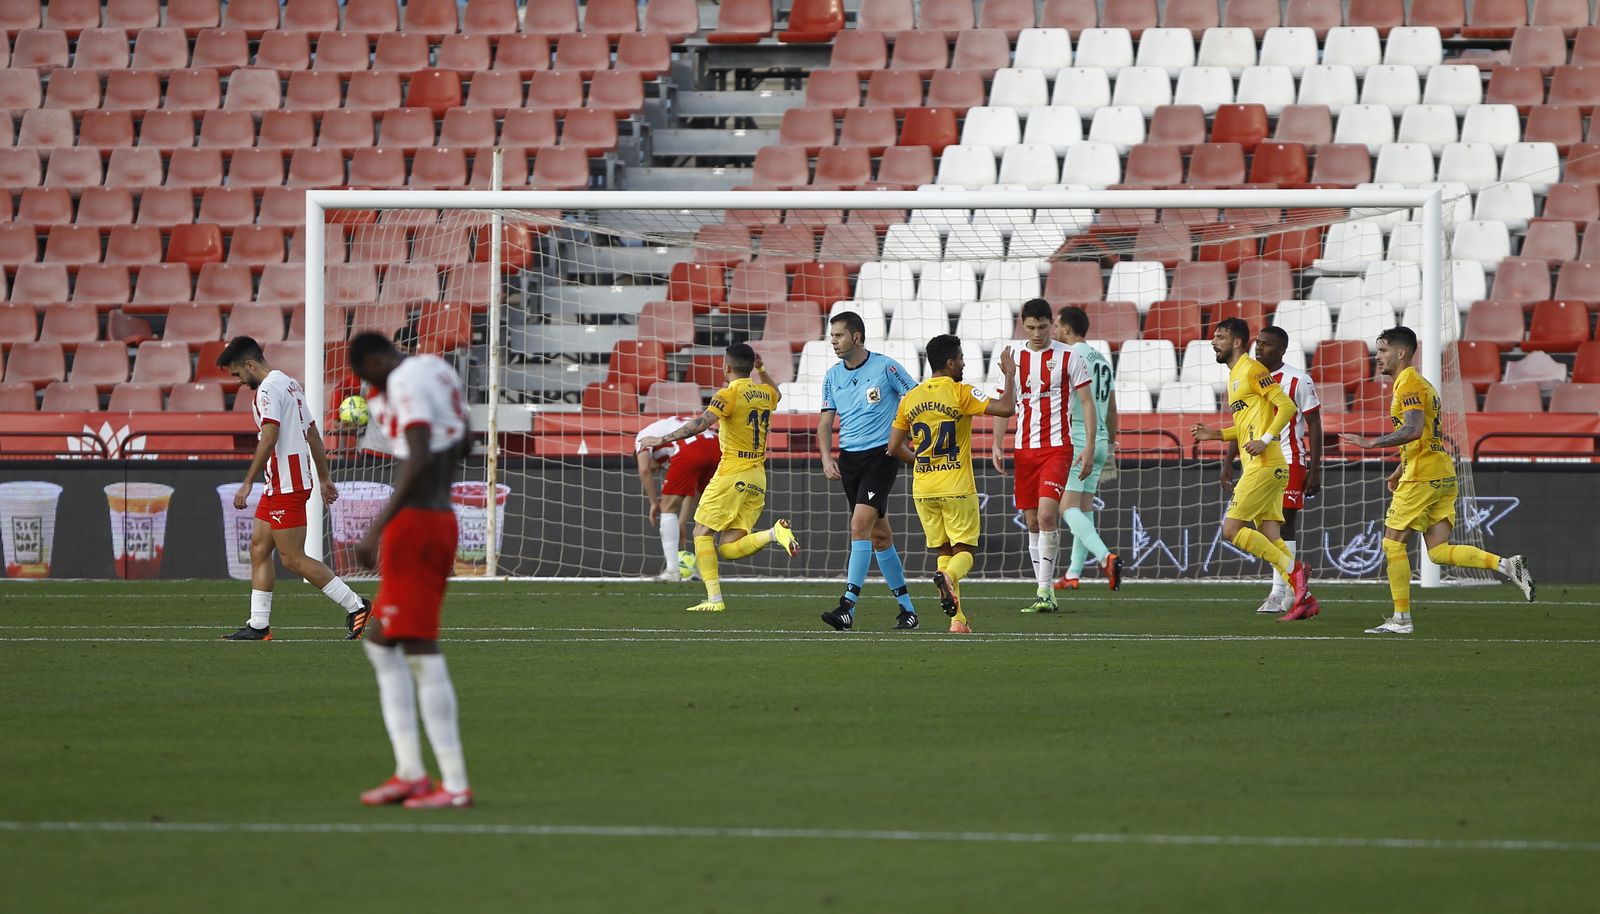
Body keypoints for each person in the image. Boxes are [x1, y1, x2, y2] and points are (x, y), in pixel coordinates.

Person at [1338, 326, 1534, 634]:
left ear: (1402, 352)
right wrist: (1401, 468)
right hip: (1438, 471)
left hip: (1424, 476)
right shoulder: (1418, 383)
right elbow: (1426, 435)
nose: (1377, 357)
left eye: (1383, 351)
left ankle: (1401, 619)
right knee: (1438, 551)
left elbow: (1414, 429)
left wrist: (1372, 443)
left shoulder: (1409, 384)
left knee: (1392, 544)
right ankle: (1507, 565)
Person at [348, 332, 474, 809]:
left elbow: (418, 453)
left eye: (367, 376)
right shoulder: (437, 369)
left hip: (417, 525)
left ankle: (455, 785)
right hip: (436, 517)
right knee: (380, 644)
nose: (369, 387)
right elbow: (465, 437)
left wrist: (375, 529)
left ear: (378, 360)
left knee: (419, 648)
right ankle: (410, 772)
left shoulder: (401, 378)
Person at [216, 336, 372, 642]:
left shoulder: (267, 390)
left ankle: (356, 606)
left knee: (292, 558)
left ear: (250, 365)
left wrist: (247, 482)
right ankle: (259, 625)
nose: (237, 381)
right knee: (259, 548)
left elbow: (270, 434)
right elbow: (312, 433)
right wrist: (324, 478)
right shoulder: (288, 384)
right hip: (281, 482)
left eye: (237, 374)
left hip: (287, 485)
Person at [639, 343, 798, 612]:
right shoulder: (764, 392)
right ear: (751, 366)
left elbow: (701, 423)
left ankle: (714, 600)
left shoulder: (728, 393)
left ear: (726, 367)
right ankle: (774, 534)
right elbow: (778, 394)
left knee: (701, 531)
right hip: (757, 477)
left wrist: (661, 439)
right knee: (727, 547)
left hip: (732, 472)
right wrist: (761, 369)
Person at [887, 335, 1016, 634]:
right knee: (965, 551)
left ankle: (957, 620)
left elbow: (893, 447)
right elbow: (1007, 408)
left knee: (943, 551)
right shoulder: (960, 392)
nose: (963, 363)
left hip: (923, 489)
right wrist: (1009, 374)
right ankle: (947, 580)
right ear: (949, 362)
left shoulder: (911, 398)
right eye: (960, 358)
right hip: (956, 486)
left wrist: (920, 462)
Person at [1190, 318, 1318, 619]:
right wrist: (1217, 435)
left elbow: (1286, 407)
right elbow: (1246, 425)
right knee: (1272, 535)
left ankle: (1296, 571)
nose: (1213, 342)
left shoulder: (1252, 369)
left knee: (1231, 529)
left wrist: (1265, 439)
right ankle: (1305, 599)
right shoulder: (1236, 375)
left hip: (1266, 463)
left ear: (1236, 342)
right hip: (1265, 465)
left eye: (1220, 337)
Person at [817, 310, 921, 631]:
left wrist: (914, 437)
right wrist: (826, 457)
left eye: (839, 335)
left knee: (859, 525)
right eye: (832, 336)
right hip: (849, 461)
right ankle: (907, 610)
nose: (833, 341)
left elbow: (917, 398)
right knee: (879, 536)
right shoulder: (832, 375)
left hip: (882, 456)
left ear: (857, 337)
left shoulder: (886, 367)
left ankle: (847, 606)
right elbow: (824, 423)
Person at [989, 299, 1076, 612]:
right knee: (1031, 521)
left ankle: (1045, 591)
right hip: (1024, 449)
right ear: (1022, 325)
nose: (1037, 332)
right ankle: (1042, 589)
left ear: (1052, 323)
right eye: (1031, 327)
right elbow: (1004, 403)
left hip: (1057, 446)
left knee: (1046, 515)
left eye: (1043, 326)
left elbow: (1088, 403)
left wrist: (1090, 445)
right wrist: (998, 443)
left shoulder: (1069, 355)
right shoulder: (1012, 357)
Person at [1052, 306, 1123, 592]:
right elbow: (1113, 407)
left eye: (1056, 326)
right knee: (1084, 508)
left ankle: (1106, 556)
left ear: (1067, 329)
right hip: (1102, 440)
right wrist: (1112, 445)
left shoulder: (1070, 356)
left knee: (1065, 507)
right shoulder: (1102, 360)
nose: (1054, 331)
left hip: (1079, 439)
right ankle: (1073, 573)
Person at [634, 415, 720, 581]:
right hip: (716, 446)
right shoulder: (668, 431)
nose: (656, 471)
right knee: (706, 510)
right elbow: (691, 491)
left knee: (667, 508)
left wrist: (654, 503)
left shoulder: (642, 438)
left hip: (691, 447)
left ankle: (673, 570)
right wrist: (681, 522)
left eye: (655, 470)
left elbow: (644, 470)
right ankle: (706, 572)